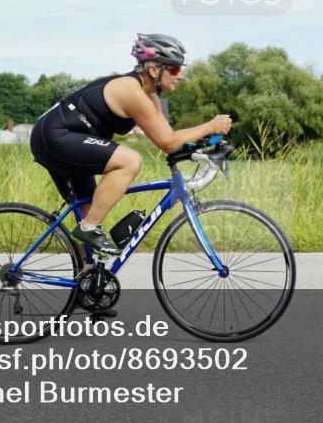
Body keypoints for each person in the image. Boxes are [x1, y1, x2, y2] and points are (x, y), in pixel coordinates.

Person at [30, 33, 232, 256]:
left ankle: (85, 282)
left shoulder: (149, 96)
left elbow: (170, 140)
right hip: (54, 136)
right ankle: (88, 228)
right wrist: (211, 125)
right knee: (130, 161)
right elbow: (168, 143)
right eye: (174, 69)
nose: (180, 76)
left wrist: (204, 146)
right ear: (154, 70)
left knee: (89, 215)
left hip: (69, 138)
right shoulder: (131, 91)